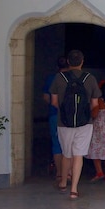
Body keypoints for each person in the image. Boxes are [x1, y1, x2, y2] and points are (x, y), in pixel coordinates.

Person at [48, 49, 102, 199]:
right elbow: (95, 103)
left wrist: (66, 111)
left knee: (66, 154)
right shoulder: (90, 78)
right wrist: (85, 113)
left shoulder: (59, 78)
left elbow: (53, 101)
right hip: (85, 123)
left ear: (68, 62)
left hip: (63, 123)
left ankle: (63, 182)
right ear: (82, 62)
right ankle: (74, 190)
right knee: (78, 155)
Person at [41, 55, 69, 184]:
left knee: (56, 144)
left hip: (54, 115)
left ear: (57, 67)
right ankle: (68, 173)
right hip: (70, 116)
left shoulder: (51, 79)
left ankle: (59, 174)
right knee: (69, 145)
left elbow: (46, 97)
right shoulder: (72, 79)